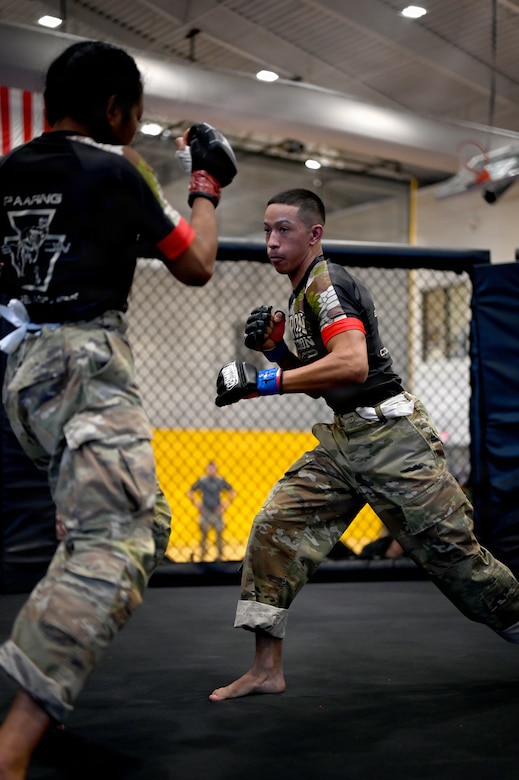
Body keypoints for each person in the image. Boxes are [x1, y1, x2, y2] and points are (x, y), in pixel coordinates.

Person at [0, 39, 236, 778]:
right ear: (114, 110)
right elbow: (196, 265)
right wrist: (204, 182)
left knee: (94, 535)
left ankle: (47, 690)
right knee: (122, 542)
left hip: (22, 374)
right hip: (85, 365)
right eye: (131, 110)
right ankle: (12, 745)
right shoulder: (115, 169)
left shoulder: (4, 173)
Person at [210, 187, 519, 701]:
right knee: (276, 526)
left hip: (393, 440)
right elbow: (333, 383)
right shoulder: (303, 289)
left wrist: (261, 379)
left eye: (283, 229)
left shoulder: (326, 283)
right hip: (347, 439)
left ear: (314, 234)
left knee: (460, 565)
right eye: (266, 230)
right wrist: (277, 351)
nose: (270, 241)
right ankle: (266, 669)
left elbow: (353, 366)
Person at [188, 461, 235, 560]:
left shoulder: (220, 480)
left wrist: (224, 505)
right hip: (205, 511)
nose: (211, 471)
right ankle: (203, 554)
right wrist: (198, 505)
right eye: (209, 469)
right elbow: (190, 492)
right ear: (207, 470)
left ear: (216, 469)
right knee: (203, 533)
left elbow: (232, 492)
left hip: (217, 511)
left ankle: (220, 554)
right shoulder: (202, 481)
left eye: (213, 469)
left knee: (219, 532)